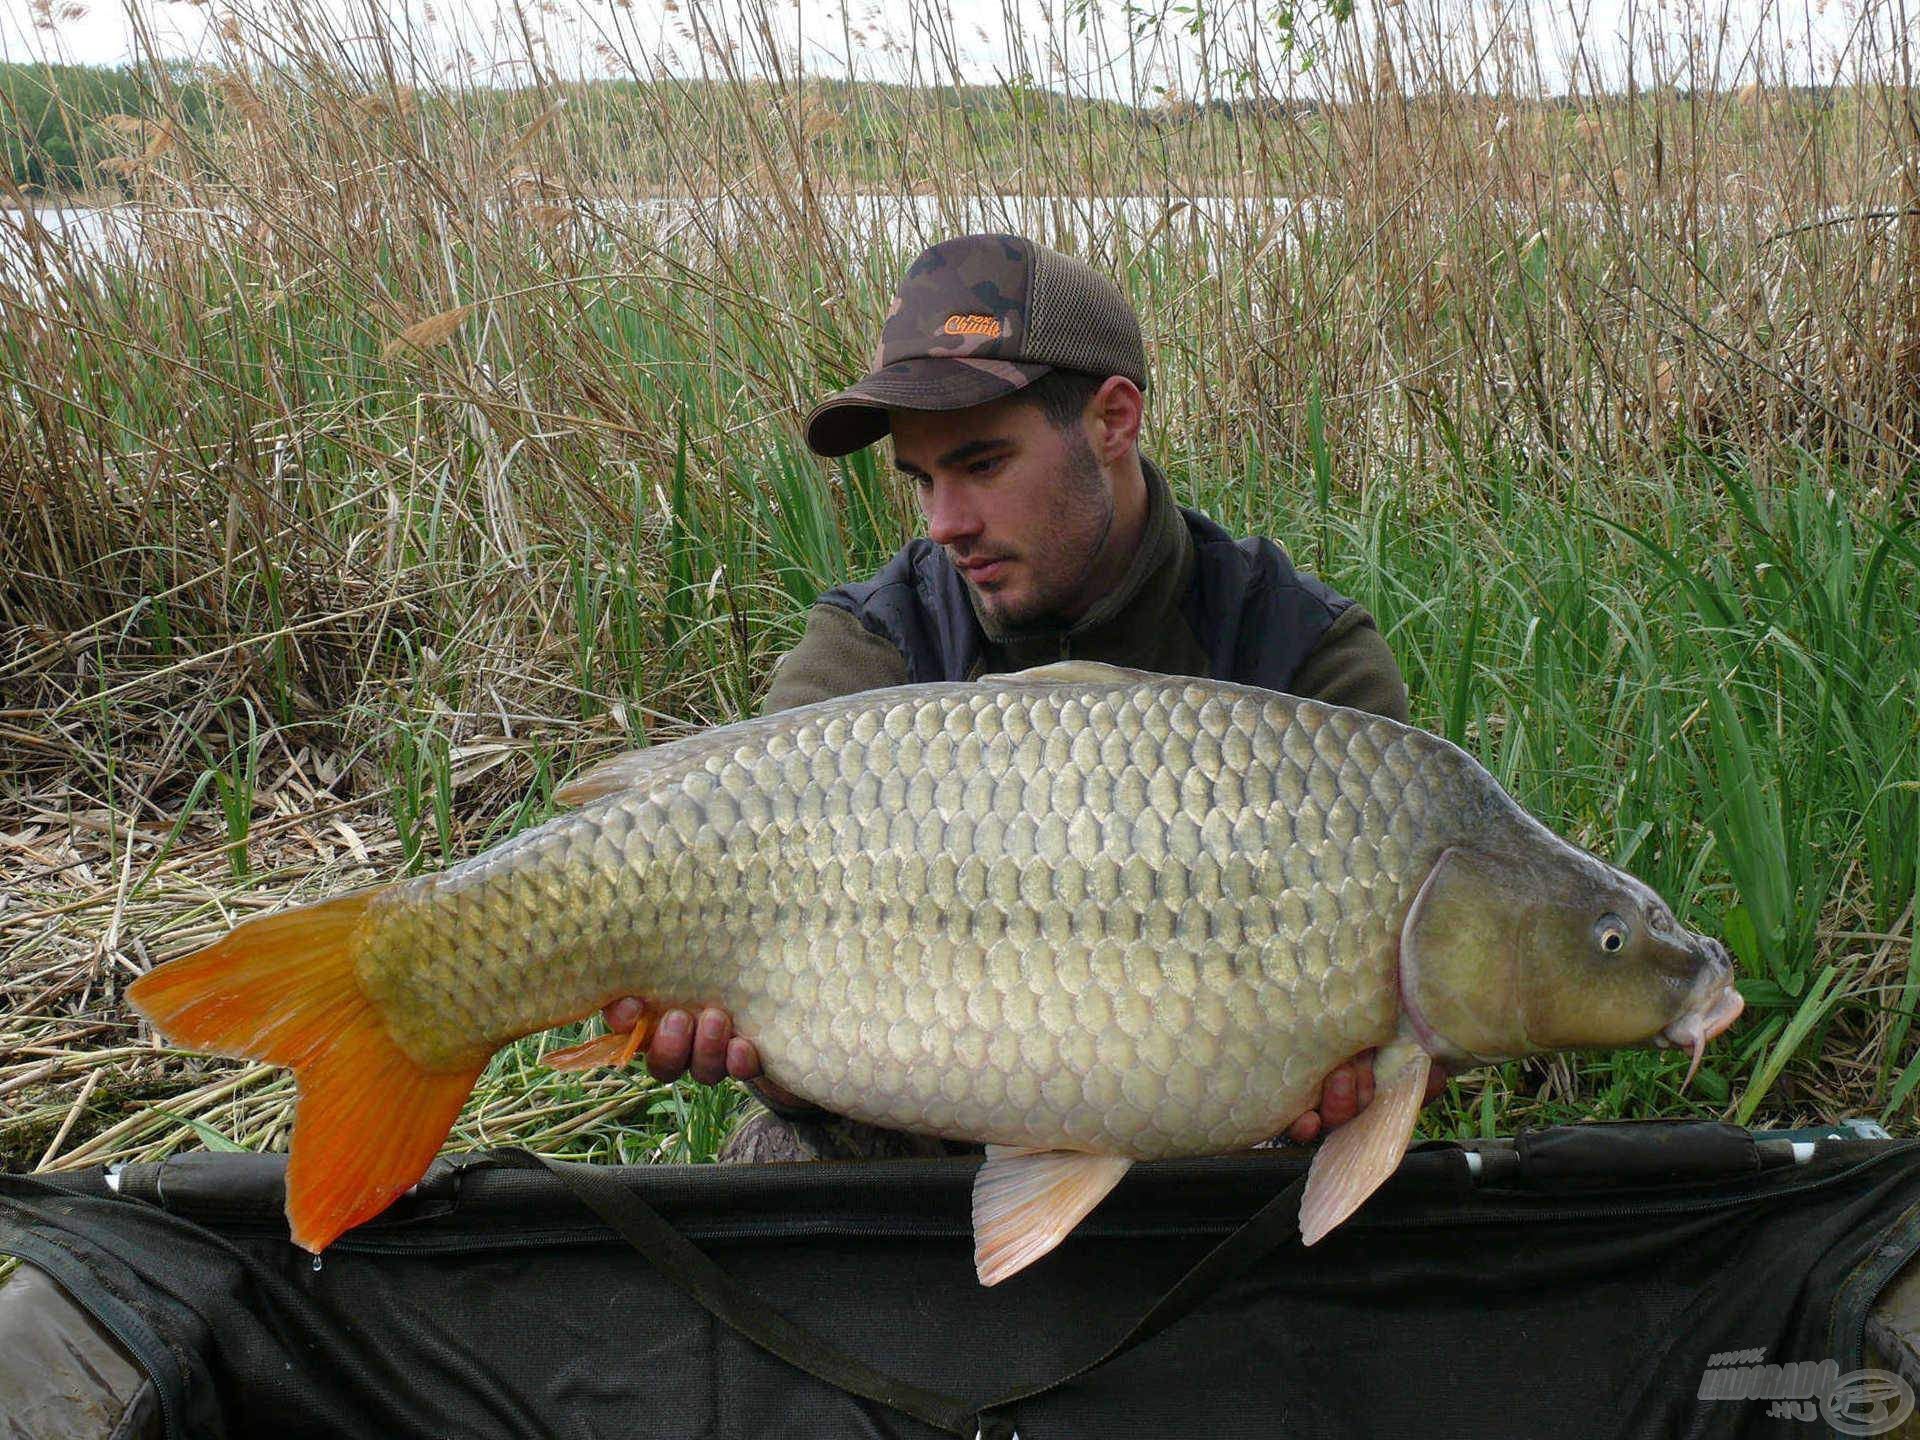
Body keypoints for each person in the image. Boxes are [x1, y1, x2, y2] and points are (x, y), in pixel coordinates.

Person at [601, 231, 1446, 1161]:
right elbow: (771, 981)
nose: (945, 525)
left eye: (983, 465)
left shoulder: (1301, 656)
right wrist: (764, 1062)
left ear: (1112, 421)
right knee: (780, 1159)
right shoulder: (873, 644)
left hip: (1208, 1150)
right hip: (917, 1134)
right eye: (921, 480)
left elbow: (1417, 998)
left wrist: (1360, 1084)